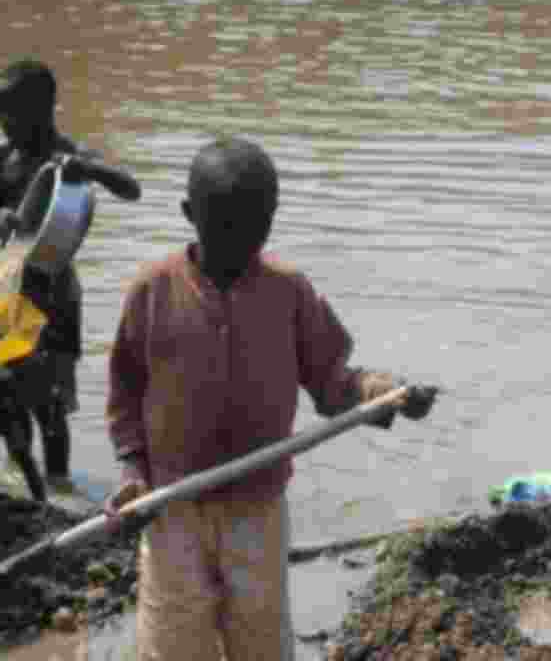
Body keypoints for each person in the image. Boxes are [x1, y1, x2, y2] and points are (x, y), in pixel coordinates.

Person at [103, 137, 438, 661]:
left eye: (255, 228)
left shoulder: (288, 292)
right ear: (190, 215)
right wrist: (132, 472)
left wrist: (387, 395)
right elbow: (125, 392)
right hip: (172, 507)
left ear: (272, 219)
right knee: (174, 643)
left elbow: (333, 383)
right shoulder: (153, 292)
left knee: (260, 640)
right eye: (225, 228)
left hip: (257, 507)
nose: (240, 244)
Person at [0, 59, 141, 487]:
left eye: (11, 115)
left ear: (45, 109)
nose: (3, 125)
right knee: (8, 393)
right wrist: (0, 219)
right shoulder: (1, 155)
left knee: (50, 404)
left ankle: (57, 485)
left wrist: (90, 169)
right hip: (9, 289)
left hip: (55, 293)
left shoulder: (70, 154)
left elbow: (131, 189)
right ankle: (21, 485)